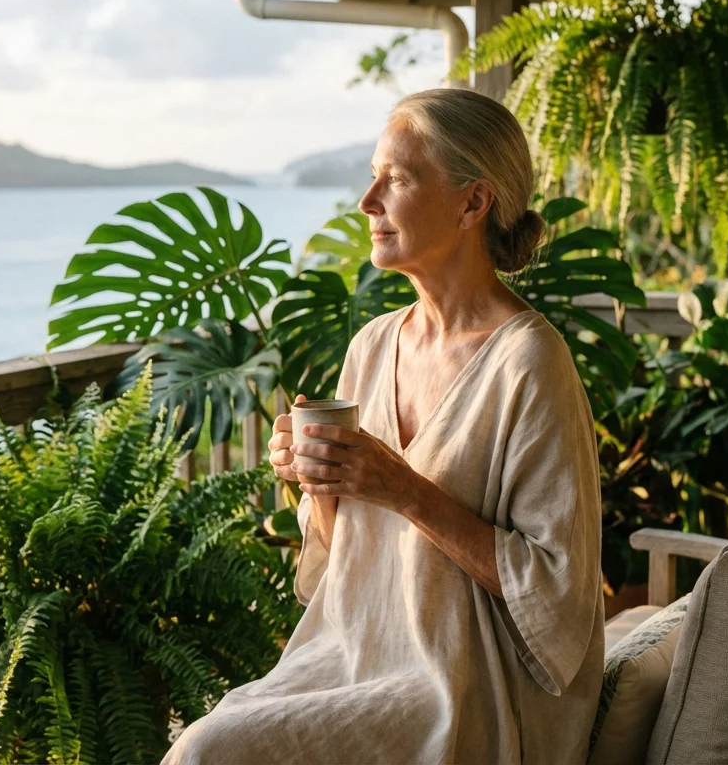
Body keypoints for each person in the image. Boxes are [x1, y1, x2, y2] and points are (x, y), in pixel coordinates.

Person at [163, 87, 603, 764]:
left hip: (465, 685)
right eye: (371, 177)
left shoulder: (529, 363)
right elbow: (344, 564)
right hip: (359, 653)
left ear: (472, 202)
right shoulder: (372, 345)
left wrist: (402, 486)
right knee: (209, 740)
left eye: (394, 179)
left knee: (209, 752)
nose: (367, 202)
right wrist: (322, 484)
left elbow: (560, 595)